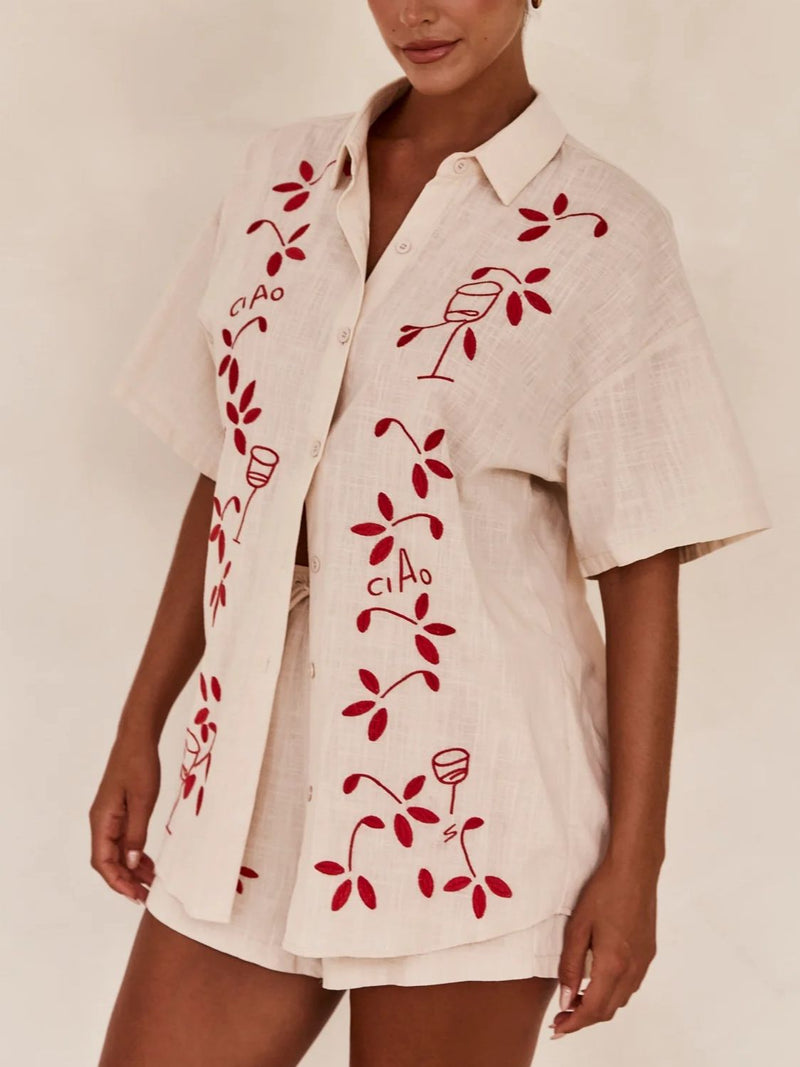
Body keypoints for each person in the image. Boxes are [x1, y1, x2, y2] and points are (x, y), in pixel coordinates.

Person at [92, 1, 772, 1064]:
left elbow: (643, 562)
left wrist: (634, 862)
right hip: (246, 790)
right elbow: (235, 471)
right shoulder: (276, 183)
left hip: (471, 808)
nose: (416, 9)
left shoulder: (604, 232)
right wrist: (142, 721)